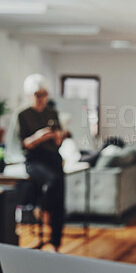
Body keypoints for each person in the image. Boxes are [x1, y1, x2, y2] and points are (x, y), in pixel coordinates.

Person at [18, 73, 65, 251]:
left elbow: (59, 141)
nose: (42, 99)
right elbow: (24, 144)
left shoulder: (52, 112)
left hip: (53, 158)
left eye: (45, 95)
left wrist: (57, 136)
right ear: (30, 95)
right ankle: (42, 210)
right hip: (35, 160)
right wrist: (39, 137)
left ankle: (55, 242)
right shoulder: (23, 115)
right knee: (52, 181)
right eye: (38, 95)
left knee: (60, 195)